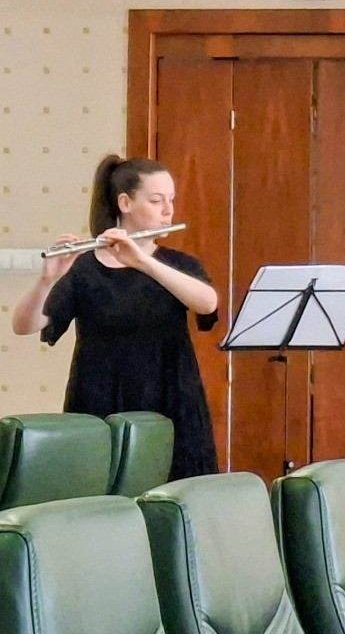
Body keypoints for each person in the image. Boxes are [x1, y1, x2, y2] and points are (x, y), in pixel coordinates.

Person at [11, 155, 220, 480]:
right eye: (156, 201)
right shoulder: (84, 268)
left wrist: (143, 262)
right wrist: (46, 280)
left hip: (171, 404)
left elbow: (208, 304)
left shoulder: (178, 265)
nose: (168, 210)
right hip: (100, 404)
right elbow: (24, 325)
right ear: (125, 203)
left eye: (171, 200)